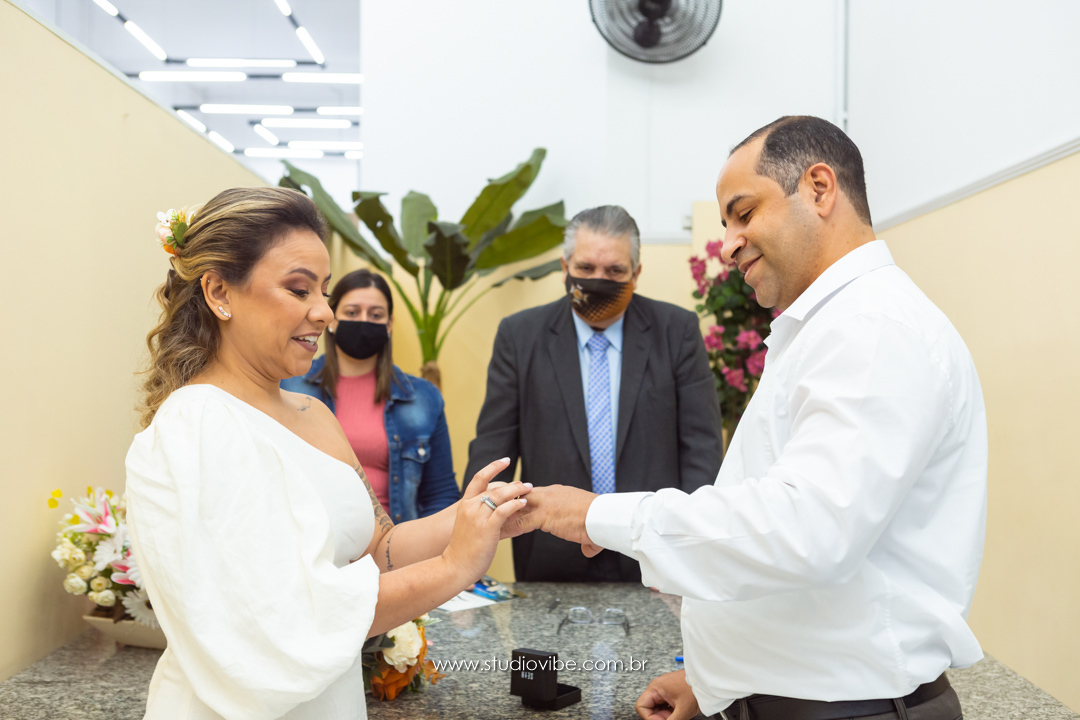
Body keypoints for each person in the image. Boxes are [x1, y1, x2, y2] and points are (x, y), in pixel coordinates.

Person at [513, 117, 987, 720]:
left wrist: (593, 514)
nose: (729, 244)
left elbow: (805, 530)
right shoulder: (828, 328)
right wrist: (716, 683)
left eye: (744, 213)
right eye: (726, 224)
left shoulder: (872, 329)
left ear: (819, 188)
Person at [125, 187, 531, 720]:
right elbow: (286, 616)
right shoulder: (198, 425)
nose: (324, 313)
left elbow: (378, 549)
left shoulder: (312, 413)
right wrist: (455, 567)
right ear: (220, 291)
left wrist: (475, 516)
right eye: (299, 290)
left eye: (324, 290)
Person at [465, 205, 722, 583]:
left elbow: (701, 449)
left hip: (652, 552)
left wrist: (687, 550)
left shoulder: (676, 331)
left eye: (614, 271)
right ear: (564, 267)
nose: (599, 281)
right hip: (550, 556)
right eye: (585, 269)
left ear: (636, 274)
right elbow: (494, 449)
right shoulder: (520, 337)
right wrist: (466, 548)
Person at [281, 268, 458, 523]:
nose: (363, 322)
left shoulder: (423, 397)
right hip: (315, 539)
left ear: (389, 325)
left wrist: (424, 543)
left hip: (399, 541)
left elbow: (441, 494)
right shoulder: (288, 387)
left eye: (375, 315)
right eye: (352, 313)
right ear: (332, 319)